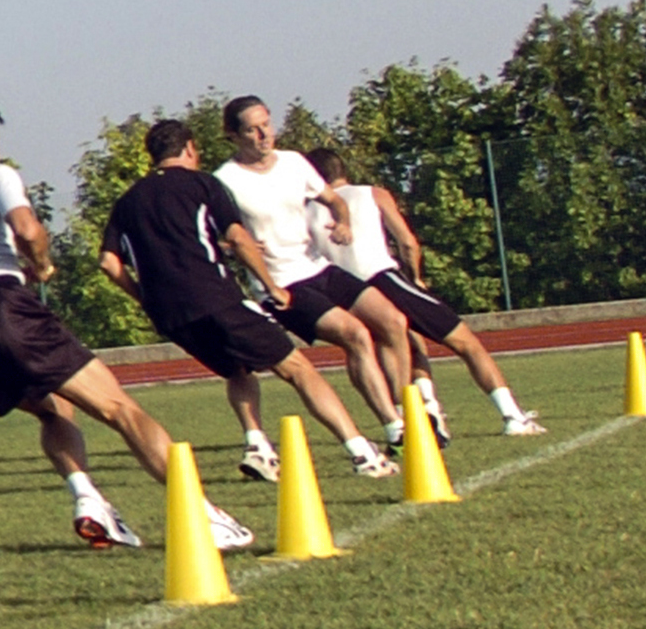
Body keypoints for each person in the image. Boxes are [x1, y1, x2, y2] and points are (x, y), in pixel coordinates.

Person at [0, 97, 252, 555]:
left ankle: (88, 499)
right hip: (2, 306)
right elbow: (28, 229)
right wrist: (41, 264)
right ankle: (201, 515)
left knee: (55, 409)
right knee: (119, 408)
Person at [99, 117, 398, 480]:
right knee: (298, 369)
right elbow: (239, 239)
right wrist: (271, 287)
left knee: (237, 369)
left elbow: (109, 263)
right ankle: (363, 453)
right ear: (190, 148)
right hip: (216, 298)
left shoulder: (128, 201)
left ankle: (257, 447)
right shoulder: (203, 183)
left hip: (171, 317)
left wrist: (144, 299)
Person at [303, 147, 544, 440]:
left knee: (405, 345)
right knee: (465, 342)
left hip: (346, 293)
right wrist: (415, 277)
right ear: (343, 169)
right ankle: (512, 415)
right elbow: (407, 242)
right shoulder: (372, 193)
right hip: (383, 278)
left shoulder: (305, 212)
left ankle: (421, 413)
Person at [214, 97, 412, 439]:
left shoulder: (293, 162)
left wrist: (343, 223)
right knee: (355, 334)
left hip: (318, 267)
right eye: (252, 129)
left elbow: (335, 200)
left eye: (267, 124)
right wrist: (232, 246)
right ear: (232, 135)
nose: (264, 135)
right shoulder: (224, 180)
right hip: (281, 285)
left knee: (394, 321)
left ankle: (408, 410)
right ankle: (395, 427)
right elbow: (206, 237)